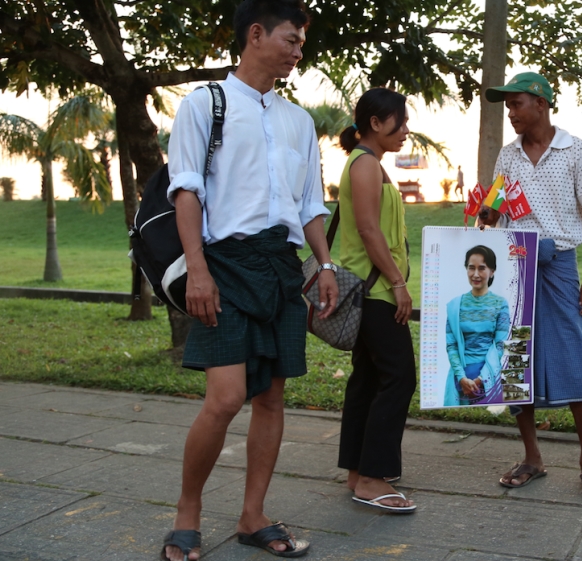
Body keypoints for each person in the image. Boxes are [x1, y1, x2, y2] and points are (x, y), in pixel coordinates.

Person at [161, 1, 338, 559]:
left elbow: (309, 203)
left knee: (272, 396)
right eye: (290, 38)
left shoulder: (298, 120)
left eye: (301, 41)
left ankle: (252, 515)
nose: (298, 50)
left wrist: (325, 265)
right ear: (255, 34)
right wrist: (198, 269)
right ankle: (186, 514)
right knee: (225, 397)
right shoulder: (205, 104)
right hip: (223, 263)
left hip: (281, 267)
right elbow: (185, 189)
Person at [480, 72, 582, 499]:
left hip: (560, 267)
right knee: (516, 358)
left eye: (516, 104)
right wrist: (483, 217)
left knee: (574, 356)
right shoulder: (509, 156)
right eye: (508, 106)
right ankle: (532, 458)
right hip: (515, 266)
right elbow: (493, 210)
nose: (511, 113)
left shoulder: (576, 150)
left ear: (540, 103)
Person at [335, 88, 417, 514]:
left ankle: (357, 470)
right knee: (399, 376)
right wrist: (398, 283)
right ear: (375, 122)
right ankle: (372, 478)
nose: (405, 130)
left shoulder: (371, 164)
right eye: (398, 122)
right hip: (374, 291)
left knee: (367, 380)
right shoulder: (365, 164)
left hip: (373, 289)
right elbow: (369, 231)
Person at [444, 245, 511, 406]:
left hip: (491, 375)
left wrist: (482, 379)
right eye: (471, 268)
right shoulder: (455, 305)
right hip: (460, 377)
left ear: (492, 271)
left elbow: (501, 345)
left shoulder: (500, 304)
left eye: (482, 268)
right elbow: (451, 345)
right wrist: (462, 378)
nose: (475, 274)